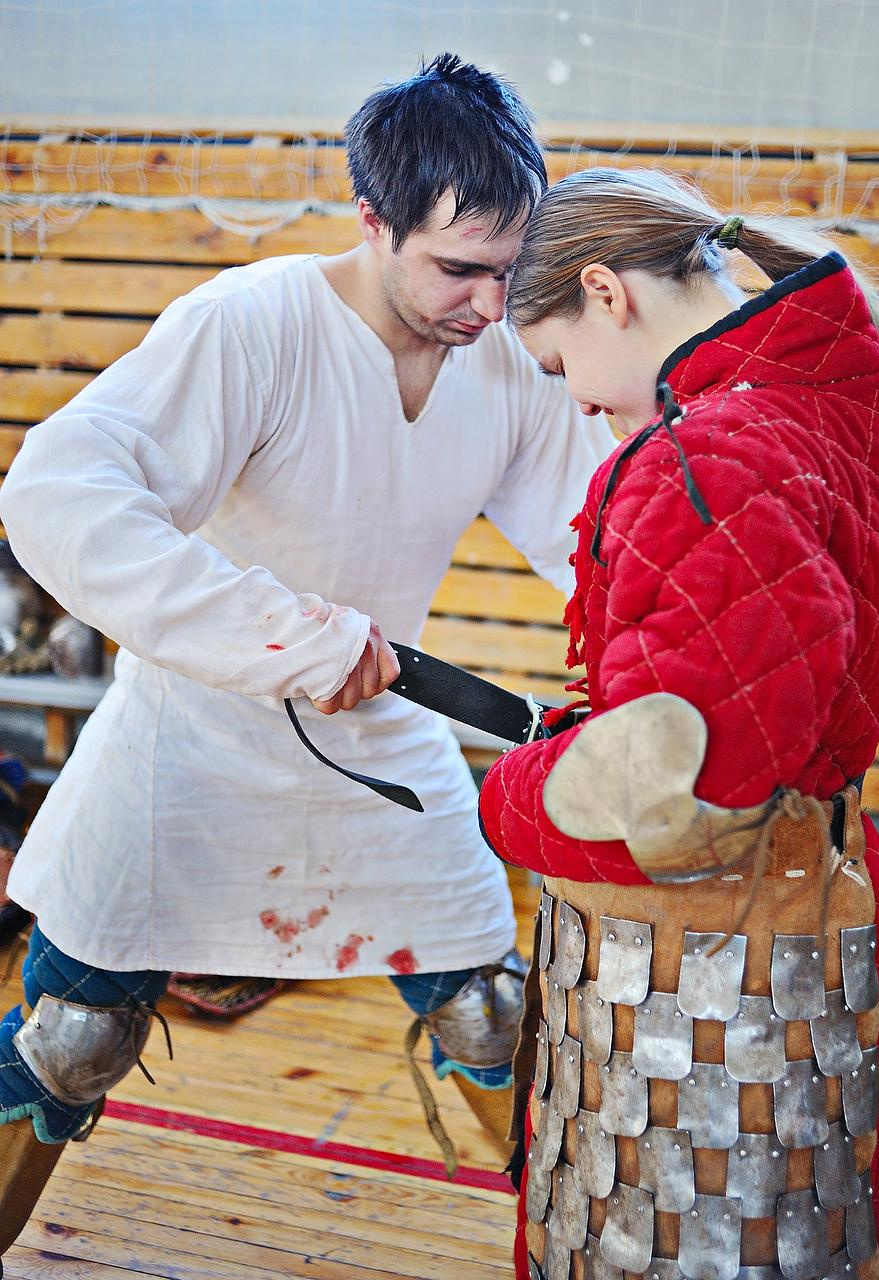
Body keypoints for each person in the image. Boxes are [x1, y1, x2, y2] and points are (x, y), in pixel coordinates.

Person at [0, 55, 612, 1258]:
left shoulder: (501, 356)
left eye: (508, 269)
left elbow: (593, 531)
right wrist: (285, 635)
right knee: (69, 1036)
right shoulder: (251, 323)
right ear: (373, 219)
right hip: (188, 747)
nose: (492, 307)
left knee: (492, 1015)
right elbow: (57, 489)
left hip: (383, 743)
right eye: (458, 268)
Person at [477, 168, 879, 1280]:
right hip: (810, 912)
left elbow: (682, 803)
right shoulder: (833, 397)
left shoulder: (704, 456)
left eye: (559, 362)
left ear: (604, 292)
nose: (577, 402)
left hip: (719, 973)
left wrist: (513, 792)